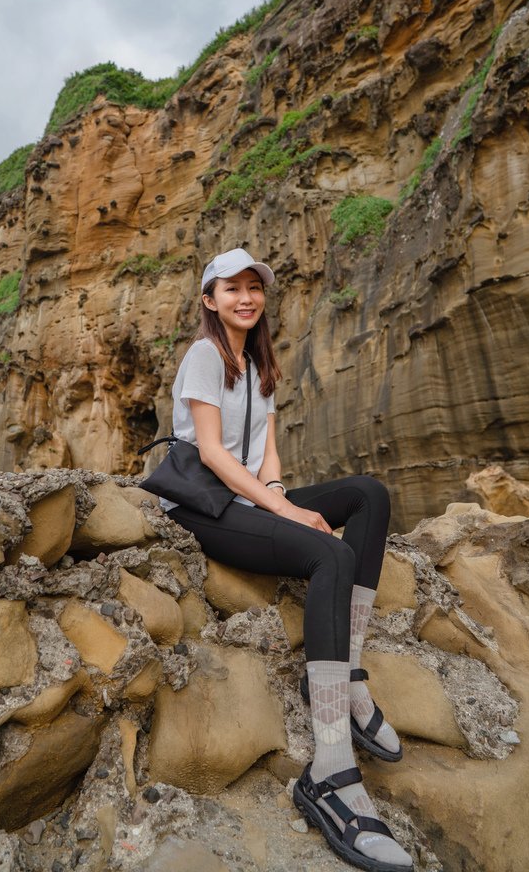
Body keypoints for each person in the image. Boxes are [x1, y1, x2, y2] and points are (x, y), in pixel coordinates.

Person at [159, 248, 414, 872]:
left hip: (248, 499)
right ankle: (328, 773)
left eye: (255, 288)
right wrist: (290, 516)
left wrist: (279, 498)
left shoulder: (259, 364)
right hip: (204, 506)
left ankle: (346, 676)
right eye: (232, 288)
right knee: (328, 553)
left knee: (370, 496)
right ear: (208, 300)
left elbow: (265, 459)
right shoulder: (203, 356)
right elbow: (216, 455)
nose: (246, 297)